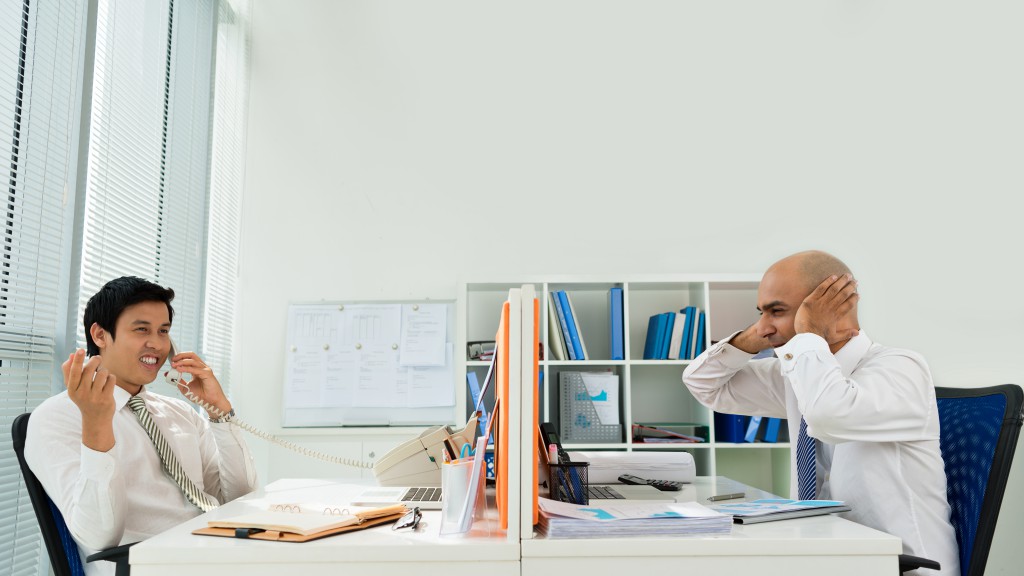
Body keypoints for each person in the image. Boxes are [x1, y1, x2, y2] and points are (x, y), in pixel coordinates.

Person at [683, 250, 958, 576]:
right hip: (827, 555)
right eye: (761, 312)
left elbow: (828, 418)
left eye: (777, 311)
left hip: (898, 566)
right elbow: (704, 384)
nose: (765, 326)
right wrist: (758, 334)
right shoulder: (798, 375)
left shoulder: (901, 368)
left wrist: (809, 334)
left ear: (834, 305)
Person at [25, 277, 258, 575]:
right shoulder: (57, 418)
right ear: (100, 335)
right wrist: (97, 426)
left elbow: (240, 500)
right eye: (141, 330)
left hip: (215, 555)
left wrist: (219, 412)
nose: (158, 344)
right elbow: (98, 536)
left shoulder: (180, 413)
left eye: (163, 331)